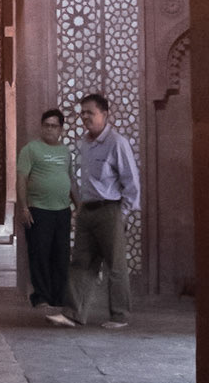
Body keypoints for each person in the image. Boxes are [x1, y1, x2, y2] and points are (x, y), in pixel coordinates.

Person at [70, 92, 141, 329]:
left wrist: (123, 213)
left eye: (90, 112)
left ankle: (119, 316)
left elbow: (131, 183)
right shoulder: (86, 143)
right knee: (81, 263)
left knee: (115, 265)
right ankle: (73, 313)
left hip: (109, 210)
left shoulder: (117, 143)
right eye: (82, 113)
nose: (85, 117)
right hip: (87, 211)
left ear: (105, 114)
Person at [16, 108, 75, 324]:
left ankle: (58, 296)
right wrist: (24, 207)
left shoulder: (65, 152)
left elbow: (70, 180)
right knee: (39, 254)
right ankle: (41, 296)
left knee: (60, 254)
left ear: (60, 129)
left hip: (62, 210)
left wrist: (78, 206)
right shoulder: (31, 150)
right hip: (38, 209)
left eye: (54, 126)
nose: (49, 129)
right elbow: (21, 179)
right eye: (46, 125)